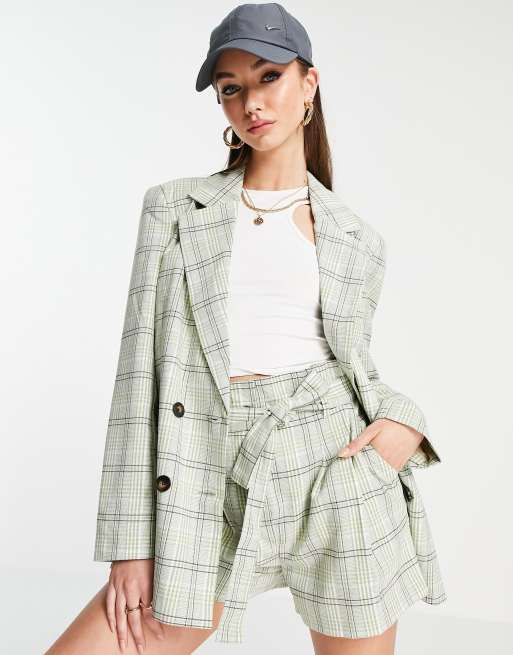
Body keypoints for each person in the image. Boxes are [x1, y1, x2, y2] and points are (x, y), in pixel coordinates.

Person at [44, 3, 446, 654]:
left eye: (268, 77)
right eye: (231, 88)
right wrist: (130, 545)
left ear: (308, 84)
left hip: (336, 472)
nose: (251, 102)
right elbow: (136, 378)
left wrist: (404, 422)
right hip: (204, 466)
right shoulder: (175, 209)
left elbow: (355, 370)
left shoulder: (356, 239)